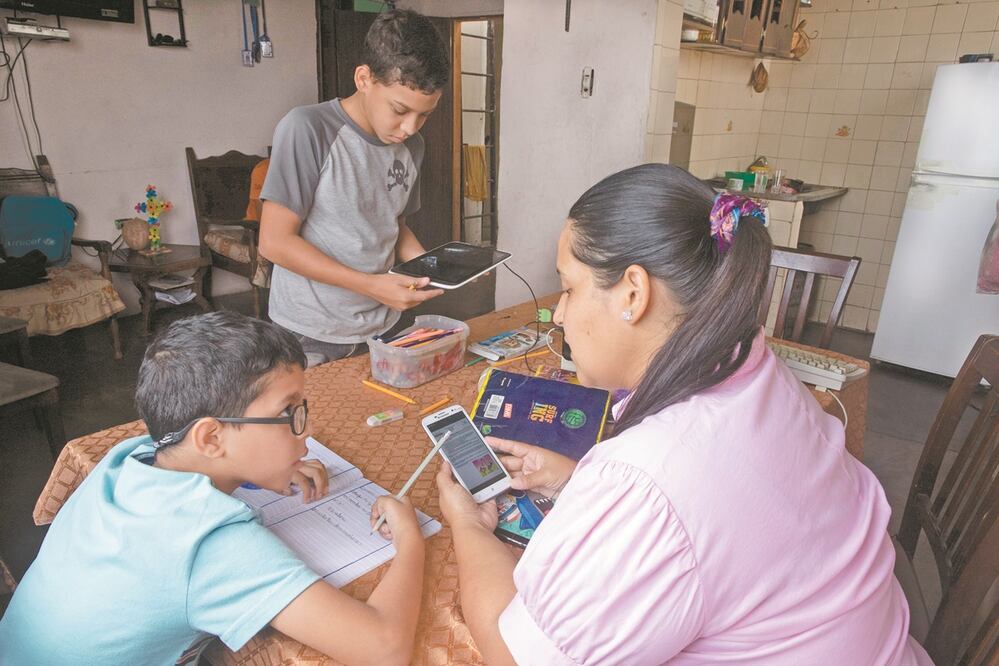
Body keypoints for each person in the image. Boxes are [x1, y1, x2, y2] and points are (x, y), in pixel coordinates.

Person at [436, 164, 932, 665]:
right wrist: (573, 483)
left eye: (568, 287)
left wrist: (469, 525)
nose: (559, 315)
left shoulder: (648, 478)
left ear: (633, 292)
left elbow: (515, 656)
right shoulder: (753, 366)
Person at [0, 312, 425, 666]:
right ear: (211, 439)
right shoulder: (212, 548)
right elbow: (384, 648)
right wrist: (409, 537)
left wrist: (264, 470)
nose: (308, 430)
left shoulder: (128, 458)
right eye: (289, 413)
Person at [259, 9, 449, 367]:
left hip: (383, 321)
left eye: (424, 114)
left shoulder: (412, 146)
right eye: (399, 109)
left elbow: (395, 224)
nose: (410, 127)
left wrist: (431, 267)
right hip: (310, 328)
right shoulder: (307, 129)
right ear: (364, 78)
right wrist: (370, 284)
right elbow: (274, 242)